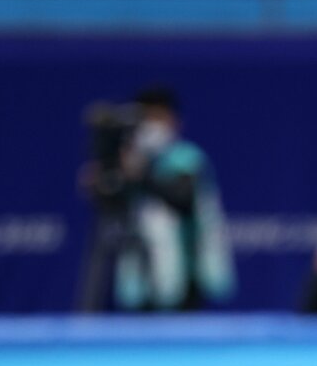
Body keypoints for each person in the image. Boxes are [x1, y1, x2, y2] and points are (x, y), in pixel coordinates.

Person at [78, 86, 235, 312]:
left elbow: (182, 198)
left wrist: (143, 172)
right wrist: (105, 181)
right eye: (146, 118)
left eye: (158, 117)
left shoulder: (187, 157)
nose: (152, 126)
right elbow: (111, 204)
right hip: (138, 274)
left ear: (174, 120)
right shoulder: (127, 158)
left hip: (184, 275)